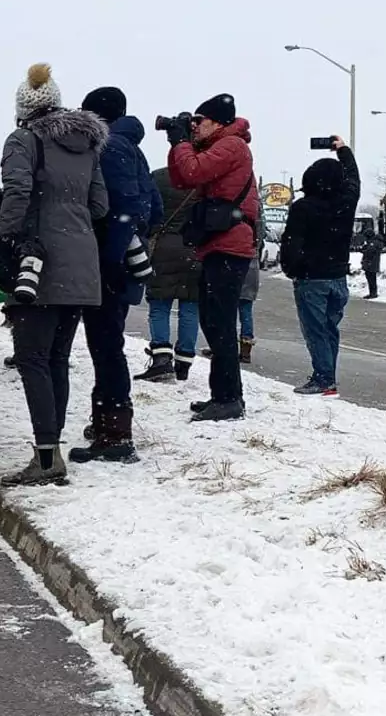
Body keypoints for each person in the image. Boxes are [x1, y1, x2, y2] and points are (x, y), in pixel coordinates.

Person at [0, 64, 108, 484]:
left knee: (31, 358)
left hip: (37, 264)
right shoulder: (88, 146)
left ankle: (45, 460)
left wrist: (5, 238)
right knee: (56, 358)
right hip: (81, 262)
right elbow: (99, 207)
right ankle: (50, 450)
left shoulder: (23, 140)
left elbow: (18, 192)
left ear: (23, 108)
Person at [70, 87, 159, 464]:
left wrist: (107, 259)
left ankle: (115, 434)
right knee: (107, 345)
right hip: (120, 263)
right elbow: (153, 208)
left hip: (109, 265)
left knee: (106, 348)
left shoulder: (109, 148)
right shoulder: (132, 147)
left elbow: (121, 209)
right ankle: (106, 421)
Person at [166, 96, 260, 422]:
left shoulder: (232, 145)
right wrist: (177, 142)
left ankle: (229, 398)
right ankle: (223, 395)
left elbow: (192, 171)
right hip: (219, 245)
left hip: (229, 246)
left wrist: (181, 142)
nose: (195, 126)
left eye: (199, 120)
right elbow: (180, 177)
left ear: (217, 122)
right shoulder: (220, 146)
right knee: (212, 320)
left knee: (219, 323)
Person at [277, 138, 359, 397]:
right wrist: (344, 151)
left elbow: (291, 243)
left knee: (315, 331)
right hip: (337, 276)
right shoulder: (346, 202)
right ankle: (328, 376)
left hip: (312, 278)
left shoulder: (303, 207)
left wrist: (293, 268)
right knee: (329, 329)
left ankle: (324, 378)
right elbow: (354, 181)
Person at [140, 166, 201, 383]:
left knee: (159, 304)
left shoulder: (159, 176)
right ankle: (184, 362)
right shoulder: (203, 176)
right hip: (195, 248)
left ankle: (161, 359)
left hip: (163, 246)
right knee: (190, 307)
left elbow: (147, 210)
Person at [360, 223, 385, 300]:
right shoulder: (374, 242)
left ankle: (373, 293)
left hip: (371, 264)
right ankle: (372, 292)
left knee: (371, 279)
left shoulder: (373, 243)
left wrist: (364, 249)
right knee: (371, 279)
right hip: (372, 264)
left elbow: (369, 252)